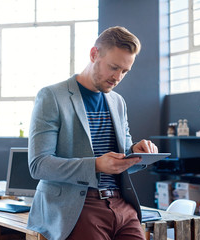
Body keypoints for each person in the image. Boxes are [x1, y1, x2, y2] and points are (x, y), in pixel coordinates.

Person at [27, 26, 158, 240]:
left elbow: (121, 159)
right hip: (77, 206)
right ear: (94, 54)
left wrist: (137, 152)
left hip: (122, 205)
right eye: (113, 67)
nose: (117, 77)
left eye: (124, 71)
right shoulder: (51, 96)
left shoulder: (118, 102)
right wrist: (96, 165)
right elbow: (38, 165)